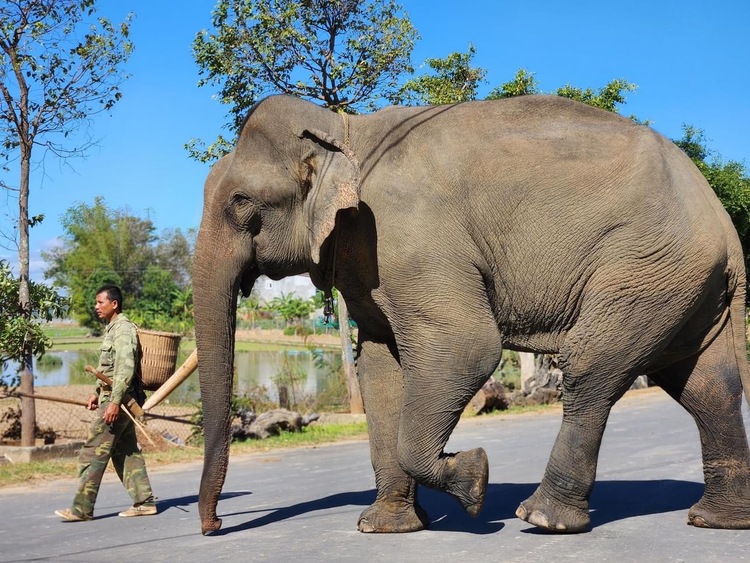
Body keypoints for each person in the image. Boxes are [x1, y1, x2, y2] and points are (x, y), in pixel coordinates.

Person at [55, 285, 157, 521]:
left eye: (100, 302)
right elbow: (108, 370)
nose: (96, 307)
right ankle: (145, 502)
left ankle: (82, 508)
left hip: (118, 403)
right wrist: (96, 392)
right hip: (115, 399)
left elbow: (124, 369)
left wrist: (113, 402)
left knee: (91, 453)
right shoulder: (113, 329)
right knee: (125, 452)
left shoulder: (122, 330)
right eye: (96, 302)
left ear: (114, 304)